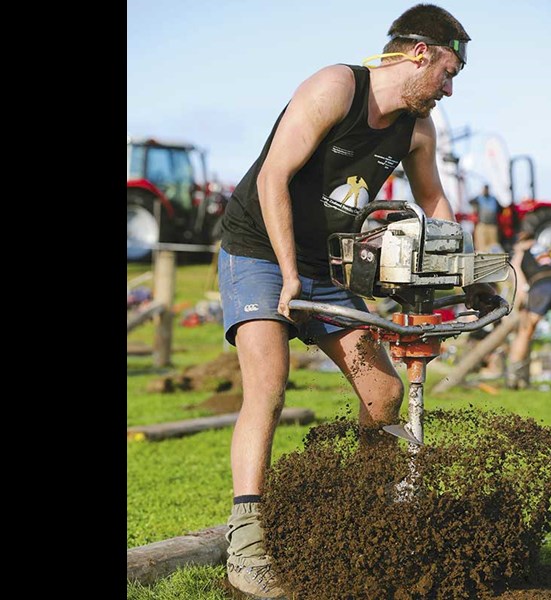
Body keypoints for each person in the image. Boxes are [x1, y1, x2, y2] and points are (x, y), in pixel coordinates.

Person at [216, 5, 499, 597]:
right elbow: (272, 179)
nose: (449, 89)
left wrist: (465, 278)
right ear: (420, 53)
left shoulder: (418, 129)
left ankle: (360, 516)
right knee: (267, 386)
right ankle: (245, 543)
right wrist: (290, 275)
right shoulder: (336, 87)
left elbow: (435, 206)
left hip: (331, 268)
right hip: (260, 253)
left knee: (385, 391)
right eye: (448, 73)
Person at [506, 230, 551, 391]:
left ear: (519, 242)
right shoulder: (550, 248)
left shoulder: (521, 252)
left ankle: (514, 377)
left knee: (525, 331)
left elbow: (519, 280)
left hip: (541, 286)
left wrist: (519, 305)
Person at [469, 183, 501, 252]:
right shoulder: (479, 198)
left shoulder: (493, 199)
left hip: (492, 225)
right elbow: (470, 201)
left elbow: (500, 209)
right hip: (482, 225)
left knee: (493, 245)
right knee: (482, 246)